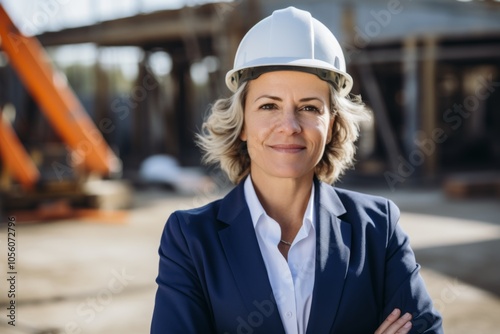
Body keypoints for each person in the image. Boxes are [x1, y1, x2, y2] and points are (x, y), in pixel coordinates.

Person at [151, 6, 443, 334]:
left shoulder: (377, 228)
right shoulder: (190, 238)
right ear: (242, 123)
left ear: (332, 125)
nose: (289, 126)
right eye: (269, 106)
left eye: (308, 107)